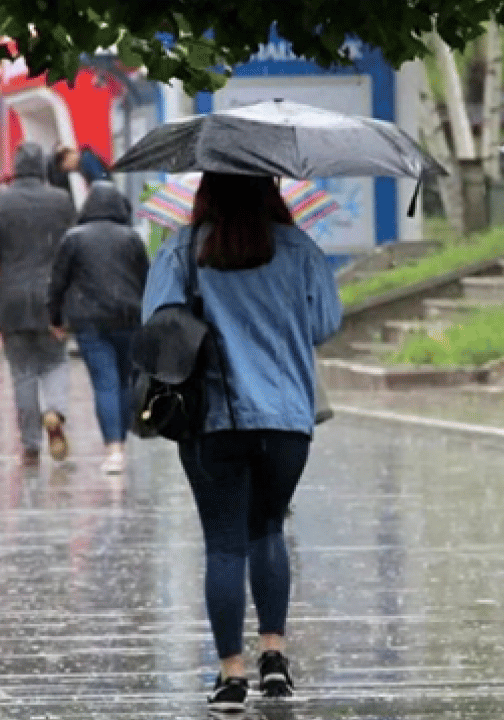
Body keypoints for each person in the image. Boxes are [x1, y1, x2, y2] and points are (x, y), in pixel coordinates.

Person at [142, 173, 342, 713]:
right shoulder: (300, 247)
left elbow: (156, 327)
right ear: (270, 190)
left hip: (214, 417)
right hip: (286, 418)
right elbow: (325, 323)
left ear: (205, 190)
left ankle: (231, 675)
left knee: (224, 543)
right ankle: (274, 659)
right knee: (268, 529)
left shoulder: (183, 250)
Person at [0, 142, 77, 465]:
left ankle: (30, 444)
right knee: (56, 361)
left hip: (12, 299)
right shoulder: (61, 201)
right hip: (52, 298)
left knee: (23, 373)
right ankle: (55, 411)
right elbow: (71, 252)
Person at [48, 181, 149, 473]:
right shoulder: (131, 238)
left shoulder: (74, 238)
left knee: (105, 382)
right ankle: (122, 440)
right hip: (129, 317)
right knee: (125, 381)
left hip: (89, 320)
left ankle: (113, 449)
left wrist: (55, 318)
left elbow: (58, 282)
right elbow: (146, 278)